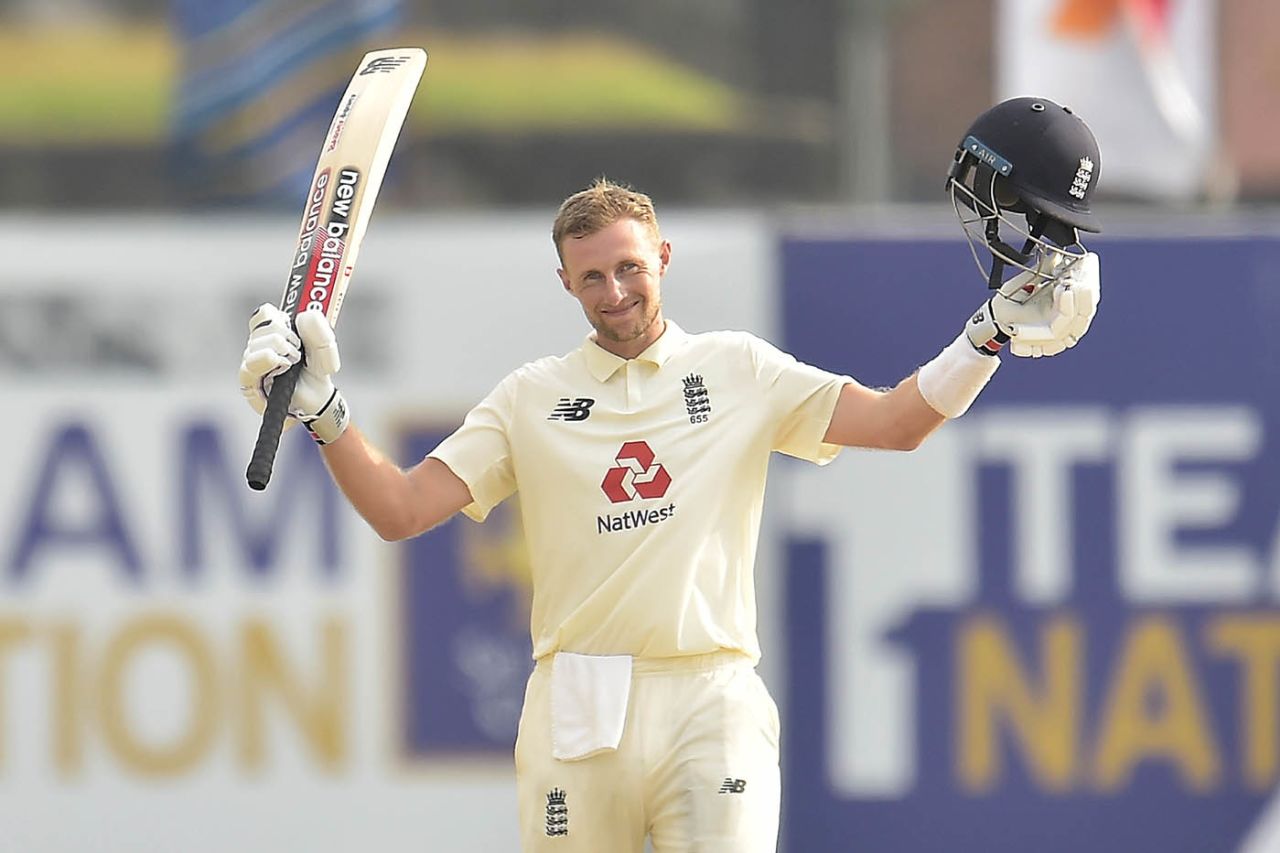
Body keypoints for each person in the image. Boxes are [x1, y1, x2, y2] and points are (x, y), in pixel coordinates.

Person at [238, 96, 1103, 852]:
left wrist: (986, 335)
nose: (614, 292)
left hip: (710, 697)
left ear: (663, 257)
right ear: (565, 282)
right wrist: (325, 412)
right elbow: (399, 508)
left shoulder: (738, 369)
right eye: (592, 277)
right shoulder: (531, 396)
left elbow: (896, 422)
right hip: (577, 704)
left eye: (630, 268)